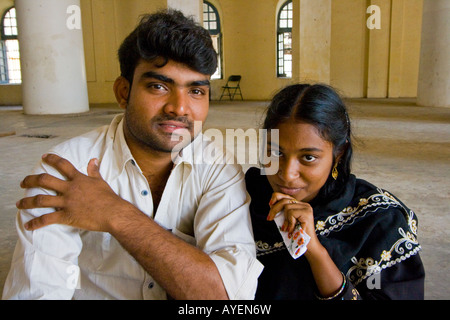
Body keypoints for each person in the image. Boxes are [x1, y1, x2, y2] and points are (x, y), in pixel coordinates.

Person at [3, 9, 263, 300]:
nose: (179, 108)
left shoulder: (218, 167)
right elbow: (37, 293)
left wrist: (116, 214)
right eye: (159, 86)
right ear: (123, 91)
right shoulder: (67, 169)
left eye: (196, 91)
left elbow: (229, 298)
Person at [245, 83, 425, 300]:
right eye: (276, 152)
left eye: (308, 157)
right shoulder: (240, 199)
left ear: (339, 154)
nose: (287, 173)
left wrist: (315, 251)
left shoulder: (378, 221)